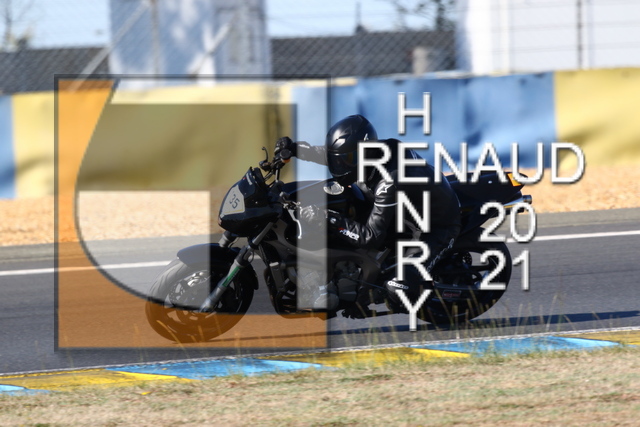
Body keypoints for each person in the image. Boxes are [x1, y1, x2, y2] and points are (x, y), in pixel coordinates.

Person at [275, 114, 461, 312]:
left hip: (435, 226)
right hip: (401, 213)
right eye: (342, 159)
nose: (340, 166)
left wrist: (328, 217)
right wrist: (295, 149)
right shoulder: (368, 155)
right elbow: (335, 155)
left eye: (347, 160)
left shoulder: (389, 181)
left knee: (398, 288)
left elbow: (370, 237)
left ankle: (372, 294)